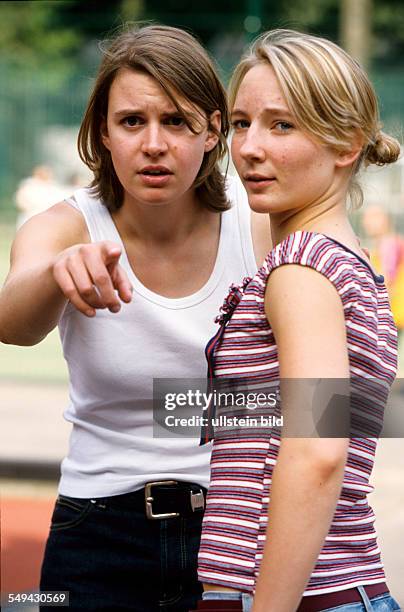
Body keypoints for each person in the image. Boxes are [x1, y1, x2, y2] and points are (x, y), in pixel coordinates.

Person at [0, 25, 270, 612]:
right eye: (131, 122)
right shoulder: (64, 226)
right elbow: (11, 323)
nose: (153, 143)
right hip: (95, 529)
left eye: (176, 121)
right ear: (103, 132)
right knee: (28, 605)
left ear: (213, 130)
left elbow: (336, 406)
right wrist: (55, 274)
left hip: (242, 524)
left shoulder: (261, 227)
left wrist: (165, 407)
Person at [197, 30, 401, 612]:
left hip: (303, 596)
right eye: (240, 124)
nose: (250, 147)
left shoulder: (300, 270)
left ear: (347, 145)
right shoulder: (345, 260)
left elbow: (317, 453)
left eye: (282, 125)